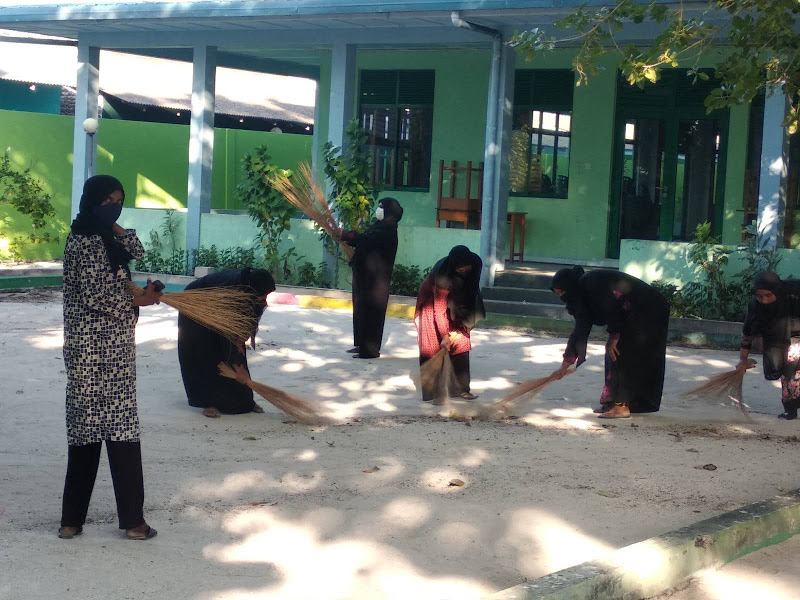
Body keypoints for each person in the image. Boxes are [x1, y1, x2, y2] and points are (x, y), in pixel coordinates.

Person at [60, 175, 162, 541]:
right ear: (91, 201)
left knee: (111, 429)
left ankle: (113, 522)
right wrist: (140, 300)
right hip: (91, 351)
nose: (114, 207)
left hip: (115, 348)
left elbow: (139, 251)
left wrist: (114, 225)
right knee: (97, 431)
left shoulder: (105, 237)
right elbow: (95, 295)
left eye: (119, 201)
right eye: (107, 201)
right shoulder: (84, 240)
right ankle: (81, 520)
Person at [551, 266, 669, 419]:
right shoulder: (581, 297)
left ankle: (622, 405)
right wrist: (565, 365)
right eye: (558, 294)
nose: (562, 297)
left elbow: (611, 308)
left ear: (570, 286)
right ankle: (613, 402)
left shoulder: (592, 283)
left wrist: (614, 337)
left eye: (562, 292)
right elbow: (580, 330)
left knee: (622, 350)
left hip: (648, 308)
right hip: (628, 313)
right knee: (613, 352)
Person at [178, 268, 276, 418]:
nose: (265, 298)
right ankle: (207, 402)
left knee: (237, 354)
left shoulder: (249, 288)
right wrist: (237, 365)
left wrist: (242, 338)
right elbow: (228, 336)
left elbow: (248, 319)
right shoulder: (231, 292)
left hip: (218, 309)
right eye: (264, 294)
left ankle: (246, 401)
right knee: (205, 352)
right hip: (195, 306)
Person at [415, 245, 485, 400]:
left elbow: (472, 291)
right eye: (460, 269)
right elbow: (439, 310)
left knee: (462, 342)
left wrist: (468, 320)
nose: (464, 271)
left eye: (466, 268)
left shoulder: (476, 263)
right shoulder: (443, 275)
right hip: (431, 300)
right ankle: (433, 393)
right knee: (432, 345)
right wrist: (444, 336)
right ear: (454, 266)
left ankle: (460, 389)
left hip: (460, 298)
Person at [339, 197, 404, 359]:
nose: (378, 209)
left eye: (381, 207)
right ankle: (361, 345)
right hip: (365, 276)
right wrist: (347, 237)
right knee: (361, 311)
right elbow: (363, 242)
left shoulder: (388, 230)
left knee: (372, 314)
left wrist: (347, 234)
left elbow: (366, 241)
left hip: (376, 281)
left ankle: (370, 350)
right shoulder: (378, 226)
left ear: (389, 211)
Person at [738, 271, 800, 420]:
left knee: (791, 370)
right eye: (759, 296)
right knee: (785, 373)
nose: (764, 301)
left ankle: (791, 407)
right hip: (777, 341)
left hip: (796, 337)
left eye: (768, 295)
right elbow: (748, 333)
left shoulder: (795, 298)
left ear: (777, 291)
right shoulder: (755, 306)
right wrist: (743, 360)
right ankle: (790, 409)